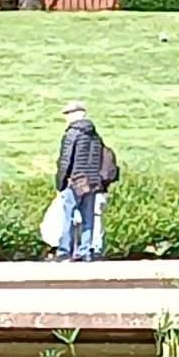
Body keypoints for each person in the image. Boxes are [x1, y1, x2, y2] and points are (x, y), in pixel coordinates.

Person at [54, 101, 107, 262]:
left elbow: (65, 160)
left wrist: (60, 182)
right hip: (92, 181)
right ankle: (85, 251)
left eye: (67, 114)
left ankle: (64, 250)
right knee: (88, 218)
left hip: (76, 181)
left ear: (74, 115)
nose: (66, 118)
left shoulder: (72, 134)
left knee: (68, 216)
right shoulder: (95, 135)